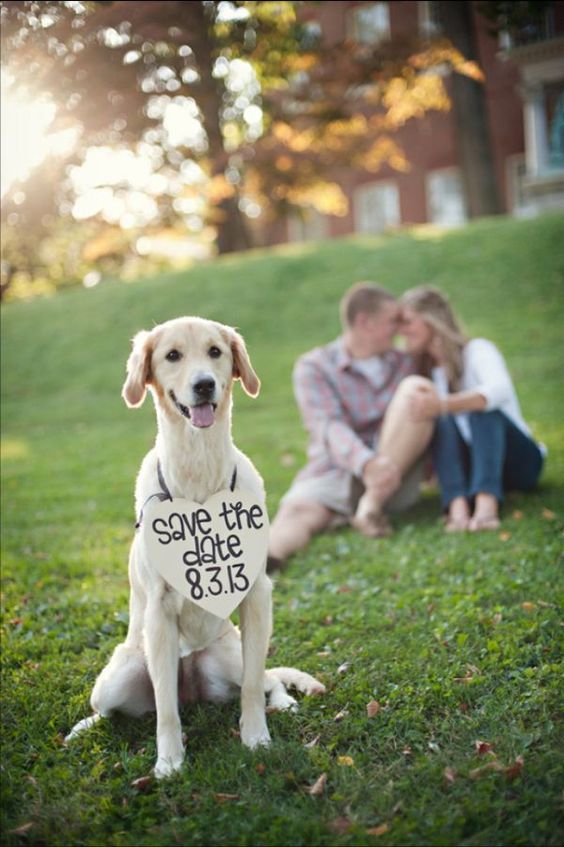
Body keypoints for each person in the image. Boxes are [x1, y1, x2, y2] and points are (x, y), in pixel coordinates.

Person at [267, 282, 435, 571]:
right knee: (296, 511)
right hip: (339, 467)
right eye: (391, 321)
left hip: (397, 471)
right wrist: (367, 464)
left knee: (416, 390)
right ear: (364, 322)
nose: (398, 328)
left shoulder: (406, 362)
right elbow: (326, 425)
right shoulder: (315, 366)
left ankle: (371, 504)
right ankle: (263, 564)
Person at [399, 285, 545, 532]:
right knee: (440, 419)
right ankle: (458, 507)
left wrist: (444, 404)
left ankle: (486, 505)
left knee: (480, 409)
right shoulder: (424, 371)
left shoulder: (478, 350)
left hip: (518, 462)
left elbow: (498, 391)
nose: (402, 330)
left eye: (408, 321)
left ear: (431, 320)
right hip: (472, 467)